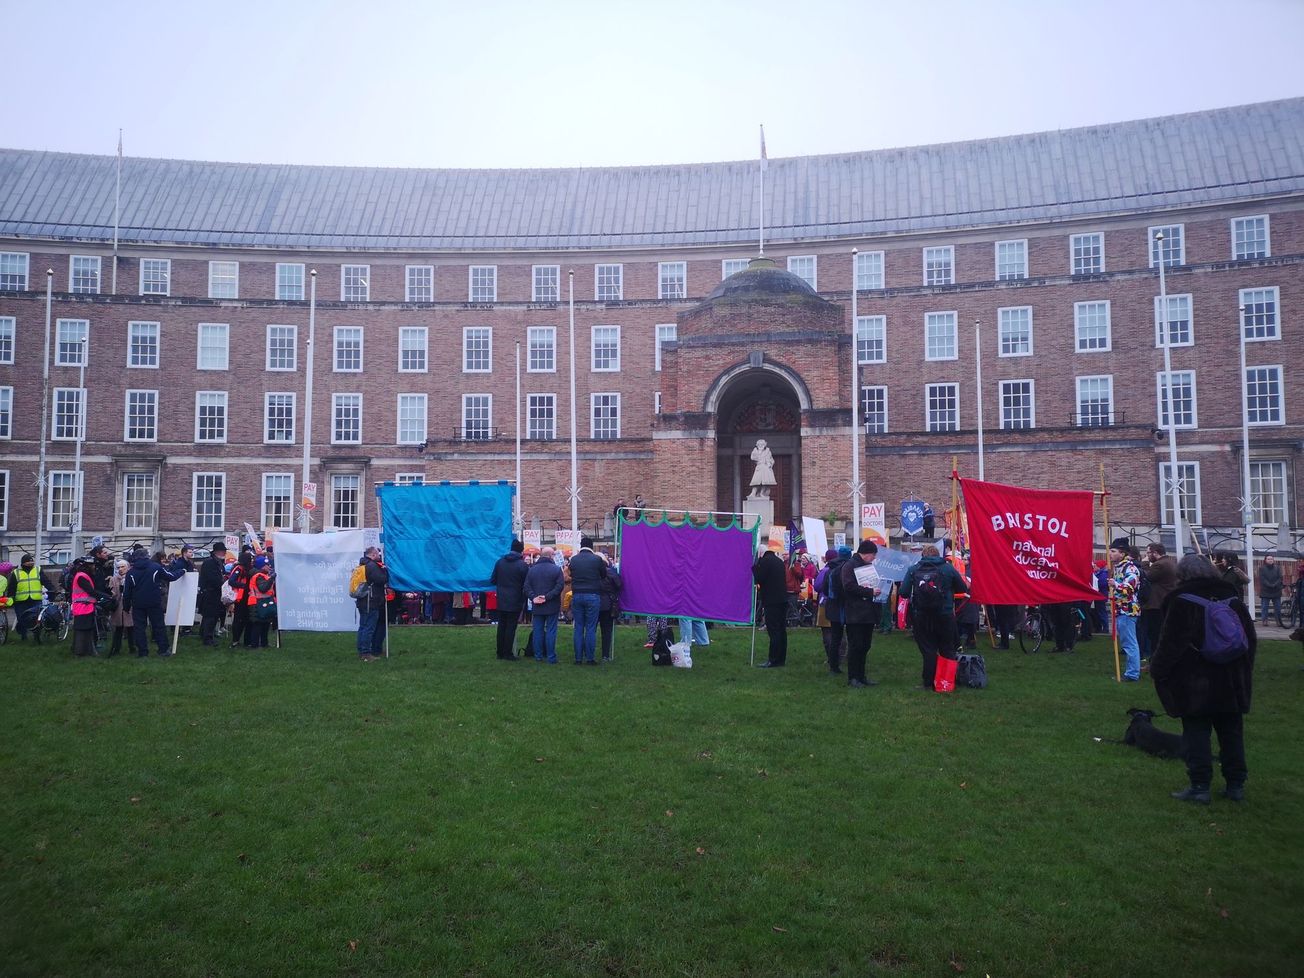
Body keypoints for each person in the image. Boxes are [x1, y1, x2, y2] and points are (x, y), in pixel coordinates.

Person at [1150, 554, 1256, 804]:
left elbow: (1170, 643)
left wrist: (1158, 670)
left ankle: (1199, 786)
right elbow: (1248, 638)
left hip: (1195, 679)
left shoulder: (1179, 600)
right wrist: (1245, 669)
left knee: (1197, 732)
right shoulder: (1230, 594)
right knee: (1231, 732)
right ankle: (1235, 784)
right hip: (1231, 677)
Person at [900, 544, 969, 690]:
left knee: (928, 649)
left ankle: (928, 682)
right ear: (938, 555)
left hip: (922, 615)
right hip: (945, 614)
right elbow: (962, 588)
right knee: (947, 648)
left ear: (923, 555)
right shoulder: (948, 568)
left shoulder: (913, 569)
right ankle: (946, 682)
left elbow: (904, 592)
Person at [122, 547, 185, 658]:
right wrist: (182, 571)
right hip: (154, 601)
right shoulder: (155, 567)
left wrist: (126, 607)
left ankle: (143, 652)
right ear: (147, 556)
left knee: (140, 628)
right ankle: (163, 649)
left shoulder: (131, 572)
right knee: (158, 626)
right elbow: (171, 577)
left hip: (138, 603)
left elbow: (127, 592)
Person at [839, 540, 882, 688]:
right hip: (855, 613)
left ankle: (861, 675)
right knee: (856, 645)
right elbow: (849, 587)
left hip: (867, 612)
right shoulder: (849, 566)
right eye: (873, 555)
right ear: (867, 554)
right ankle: (853, 677)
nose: (874, 559)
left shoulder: (867, 566)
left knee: (865, 645)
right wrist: (870, 591)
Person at [568, 536, 608, 665]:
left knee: (578, 627)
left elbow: (571, 574)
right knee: (591, 627)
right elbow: (604, 575)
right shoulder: (597, 559)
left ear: (581, 546)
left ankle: (578, 658)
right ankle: (590, 658)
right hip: (592, 595)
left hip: (577, 595)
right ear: (591, 547)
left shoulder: (573, 560)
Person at [1108, 538, 1143, 681]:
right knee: (1126, 642)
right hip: (1120, 610)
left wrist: (1115, 584)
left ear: (1122, 554)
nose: (1109, 554)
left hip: (1128, 610)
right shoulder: (1118, 567)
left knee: (1130, 643)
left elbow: (1129, 587)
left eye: (1113, 551)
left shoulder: (1130, 568)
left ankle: (1132, 674)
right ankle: (1131, 672)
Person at [523, 546, 565, 663]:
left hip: (537, 605)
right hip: (551, 605)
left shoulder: (532, 569)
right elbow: (559, 587)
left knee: (537, 631)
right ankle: (551, 656)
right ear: (551, 556)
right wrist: (547, 597)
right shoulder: (556, 570)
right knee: (551, 631)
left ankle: (538, 656)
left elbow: (526, 587)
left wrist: (534, 597)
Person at [489, 540, 529, 661]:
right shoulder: (522, 565)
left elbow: (493, 580)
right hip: (515, 599)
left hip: (501, 598)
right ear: (521, 550)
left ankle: (500, 652)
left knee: (502, 626)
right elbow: (527, 583)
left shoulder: (500, 562)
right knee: (511, 627)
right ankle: (507, 653)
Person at [1139, 543, 1178, 662]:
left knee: (1155, 634)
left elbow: (1147, 576)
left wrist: (1144, 563)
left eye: (1148, 553)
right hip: (1165, 601)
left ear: (1155, 553)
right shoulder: (1170, 562)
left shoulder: (1160, 565)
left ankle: (1155, 661)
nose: (1147, 555)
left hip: (1156, 603)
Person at [753, 546, 788, 667]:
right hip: (782, 599)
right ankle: (781, 659)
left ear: (761, 554)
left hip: (771, 600)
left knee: (773, 631)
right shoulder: (778, 561)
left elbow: (758, 578)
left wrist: (754, 567)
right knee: (781, 630)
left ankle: (772, 659)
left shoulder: (765, 561)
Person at [814, 548, 846, 674]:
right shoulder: (845, 568)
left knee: (827, 632)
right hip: (842, 603)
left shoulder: (826, 570)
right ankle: (842, 655)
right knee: (840, 631)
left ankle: (832, 657)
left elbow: (817, 586)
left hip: (825, 603)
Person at [355, 546, 388, 661]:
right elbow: (382, 579)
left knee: (363, 626)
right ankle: (366, 653)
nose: (379, 556)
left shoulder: (362, 565)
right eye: (378, 554)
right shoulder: (372, 566)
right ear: (373, 554)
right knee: (369, 627)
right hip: (371, 601)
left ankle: (361, 651)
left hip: (362, 600)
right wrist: (385, 570)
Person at [69, 556, 105, 657]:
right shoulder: (82, 576)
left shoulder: (82, 575)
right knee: (82, 630)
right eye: (93, 565)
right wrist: (101, 597)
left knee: (86, 629)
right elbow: (90, 591)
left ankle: (85, 650)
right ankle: (80, 652)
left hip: (84, 606)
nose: (94, 567)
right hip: (82, 606)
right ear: (88, 566)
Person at [196, 542, 227, 647]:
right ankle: (208, 638)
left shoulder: (218, 562)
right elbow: (213, 578)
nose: (224, 553)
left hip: (214, 592)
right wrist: (222, 583)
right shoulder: (210, 563)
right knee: (211, 616)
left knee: (210, 615)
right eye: (222, 551)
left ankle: (205, 633)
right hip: (210, 592)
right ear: (216, 552)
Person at [244, 555, 276, 649]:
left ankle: (264, 644)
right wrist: (271, 579)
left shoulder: (263, 575)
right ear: (262, 566)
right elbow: (263, 589)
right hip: (257, 603)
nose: (269, 566)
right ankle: (255, 645)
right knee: (258, 625)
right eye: (267, 565)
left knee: (265, 624)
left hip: (262, 602)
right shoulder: (259, 576)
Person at [11, 554, 43, 640]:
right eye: (28, 562)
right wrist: (11, 597)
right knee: (22, 619)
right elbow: (12, 587)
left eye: (31, 562)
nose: (30, 563)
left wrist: (52, 589)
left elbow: (45, 581)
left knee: (36, 619)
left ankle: (36, 636)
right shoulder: (16, 573)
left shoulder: (38, 570)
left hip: (35, 599)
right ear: (23, 563)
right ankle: (23, 635)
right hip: (21, 601)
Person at [106, 559, 134, 656]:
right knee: (118, 629)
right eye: (118, 567)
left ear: (128, 567)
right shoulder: (114, 579)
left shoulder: (132, 577)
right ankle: (116, 649)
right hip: (118, 608)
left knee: (131, 629)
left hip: (129, 607)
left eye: (123, 567)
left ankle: (133, 648)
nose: (120, 569)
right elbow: (111, 594)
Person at [227, 551, 254, 648]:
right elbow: (231, 581)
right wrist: (244, 586)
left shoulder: (248, 569)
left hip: (248, 597)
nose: (251, 561)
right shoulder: (238, 569)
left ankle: (247, 641)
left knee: (248, 620)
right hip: (241, 598)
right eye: (250, 559)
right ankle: (235, 640)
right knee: (239, 620)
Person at [598, 560, 623, 661]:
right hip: (608, 604)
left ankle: (587, 654)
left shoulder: (594, 573)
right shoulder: (611, 573)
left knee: (590, 629)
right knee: (607, 631)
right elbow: (619, 585)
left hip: (595, 603)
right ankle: (605, 655)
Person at [1256, 553, 1283, 624]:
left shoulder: (1277, 568)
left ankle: (1278, 621)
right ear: (1265, 560)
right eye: (1268, 559)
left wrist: (1275, 584)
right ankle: (1264, 620)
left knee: (1278, 608)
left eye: (1271, 559)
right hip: (1265, 590)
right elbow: (1262, 579)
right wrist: (1269, 585)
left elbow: (1280, 578)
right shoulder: (1262, 568)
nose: (1270, 560)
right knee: (1264, 607)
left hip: (1276, 590)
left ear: (1273, 560)